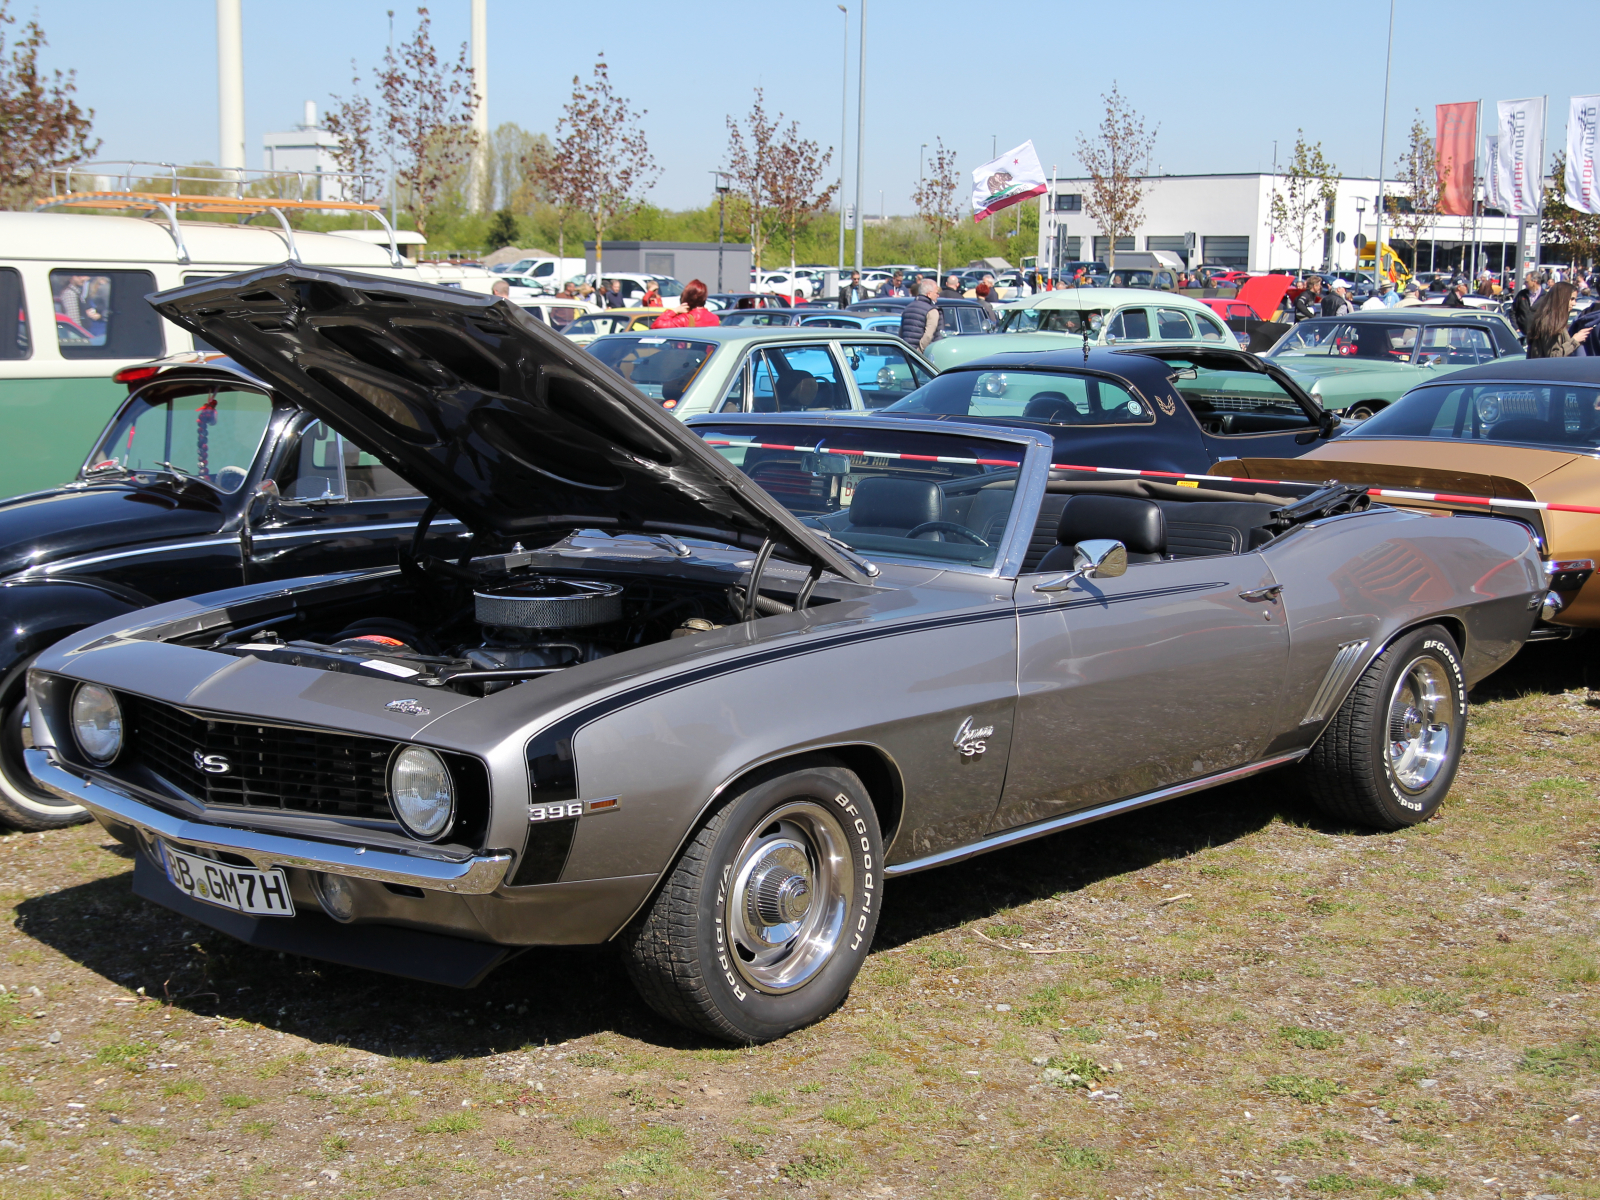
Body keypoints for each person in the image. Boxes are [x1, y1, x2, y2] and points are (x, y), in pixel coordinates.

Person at [1524, 282, 1590, 357]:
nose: (1574, 303)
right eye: (1571, 299)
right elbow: (1553, 356)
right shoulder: (1550, 322)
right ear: (1561, 299)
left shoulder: (1553, 320)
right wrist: (1575, 341)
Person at [650, 279, 720, 329]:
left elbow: (656, 325)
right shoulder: (715, 318)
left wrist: (675, 311)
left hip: (687, 350)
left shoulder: (685, 318)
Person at [898, 279, 941, 351]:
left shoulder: (908, 307)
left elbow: (901, 332)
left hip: (905, 351)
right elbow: (928, 336)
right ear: (929, 294)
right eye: (936, 293)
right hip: (918, 354)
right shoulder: (931, 311)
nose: (938, 295)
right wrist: (919, 351)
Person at [1512, 271, 1544, 336]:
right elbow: (1513, 311)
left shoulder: (1546, 296)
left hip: (1538, 337)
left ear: (1534, 282)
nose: (1524, 283)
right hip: (1521, 334)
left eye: (1527, 282)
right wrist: (1516, 328)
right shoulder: (1521, 294)